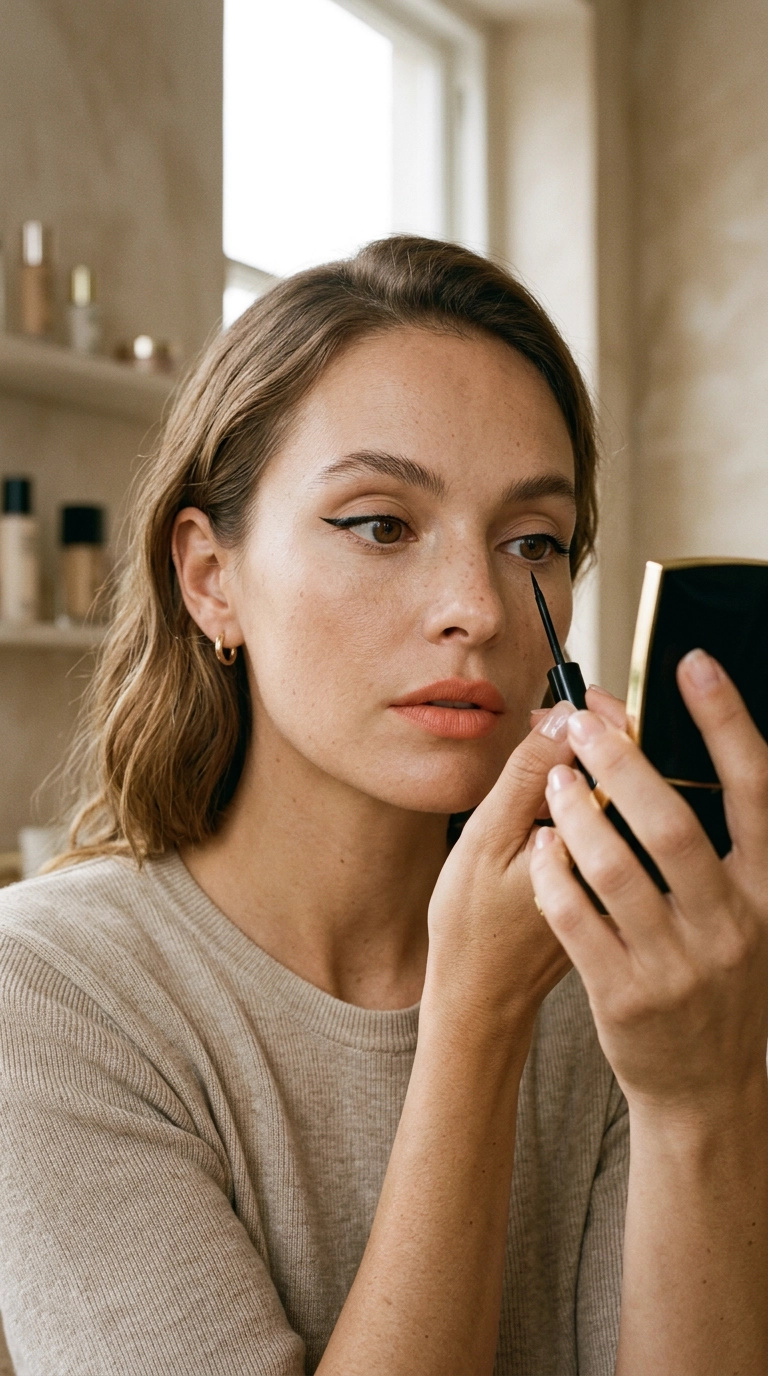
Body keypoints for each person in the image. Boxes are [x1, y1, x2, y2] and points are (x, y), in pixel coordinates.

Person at [0, 236, 766, 1376]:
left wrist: (701, 1093)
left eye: (532, 541)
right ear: (211, 576)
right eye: (380, 523)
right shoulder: (50, 996)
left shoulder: (637, 971)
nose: (477, 606)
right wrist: (473, 1019)